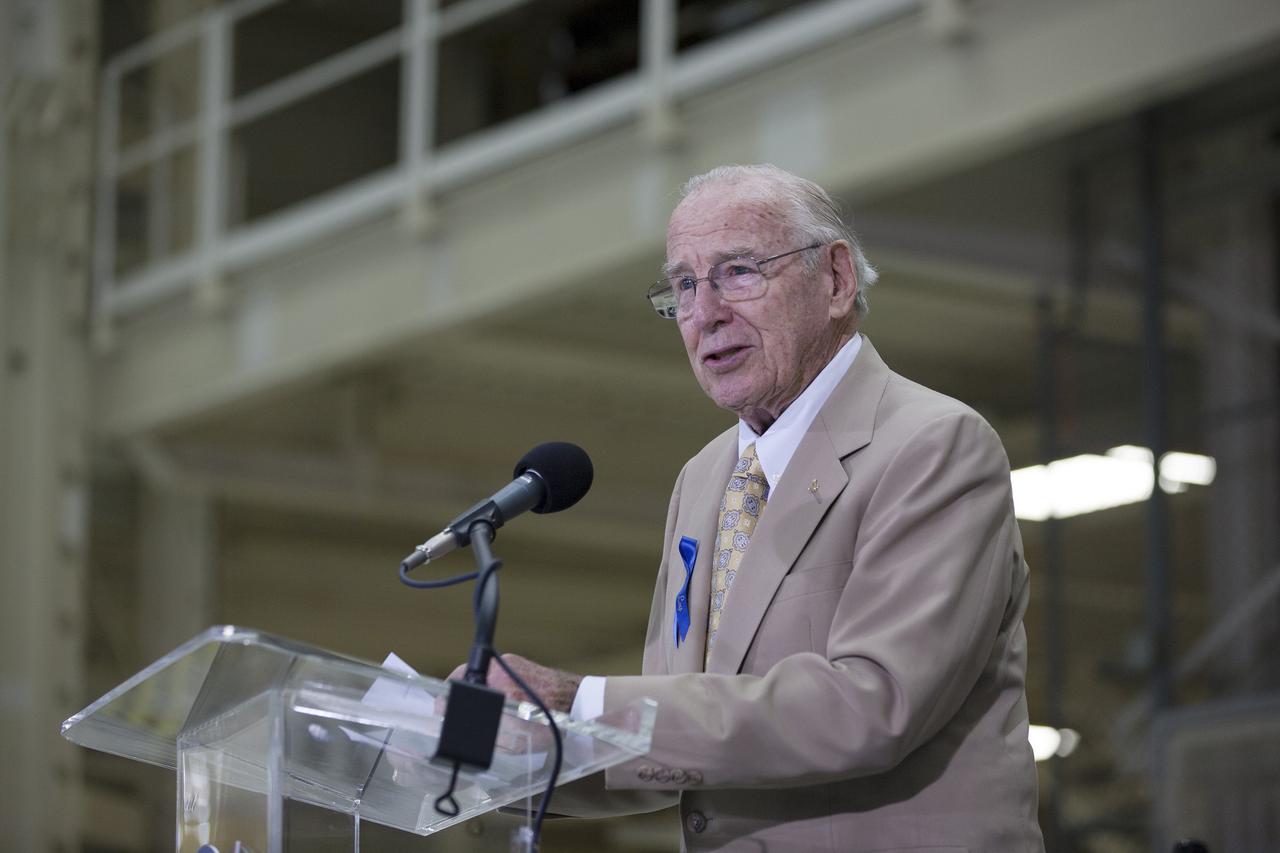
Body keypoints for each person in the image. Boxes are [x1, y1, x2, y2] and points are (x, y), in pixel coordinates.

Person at [467, 164, 1045, 851]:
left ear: (836, 280)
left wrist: (579, 699)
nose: (705, 313)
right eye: (685, 285)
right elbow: (675, 738)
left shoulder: (933, 445)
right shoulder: (705, 478)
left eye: (738, 271)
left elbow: (874, 702)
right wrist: (487, 752)